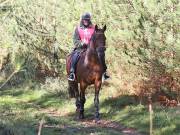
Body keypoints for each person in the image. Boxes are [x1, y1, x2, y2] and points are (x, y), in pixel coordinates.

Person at [68, 12, 110, 81]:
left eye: (87, 20)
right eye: (84, 20)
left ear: (89, 20)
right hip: (81, 48)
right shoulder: (78, 29)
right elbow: (75, 41)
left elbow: (98, 39)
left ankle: (104, 73)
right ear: (82, 20)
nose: (86, 21)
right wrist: (81, 43)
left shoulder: (94, 28)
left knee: (101, 55)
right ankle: (72, 73)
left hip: (92, 49)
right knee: (74, 56)